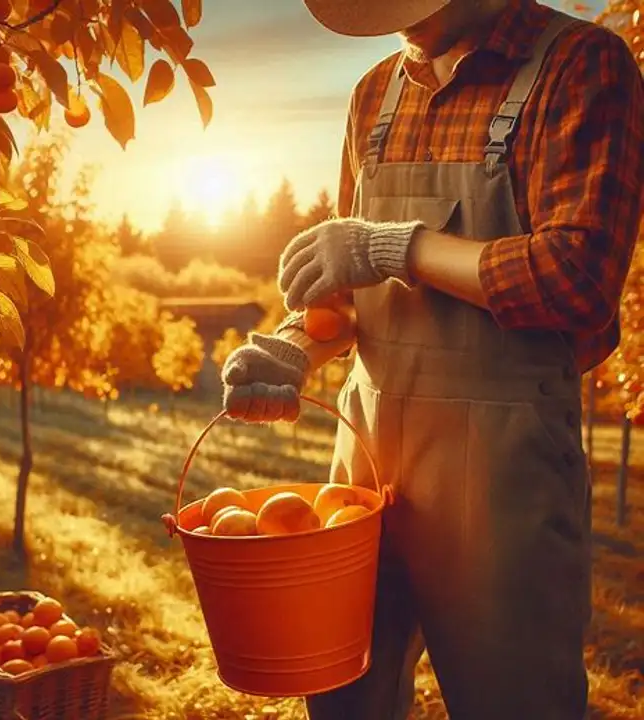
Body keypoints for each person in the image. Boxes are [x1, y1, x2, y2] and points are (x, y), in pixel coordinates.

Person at [221, 0, 644, 717]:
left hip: (503, 470)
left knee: (513, 703)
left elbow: (577, 279)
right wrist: (299, 345)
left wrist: (396, 246)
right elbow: (348, 296)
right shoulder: (374, 94)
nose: (396, 20)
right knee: (341, 695)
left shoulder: (580, 67)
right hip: (366, 458)